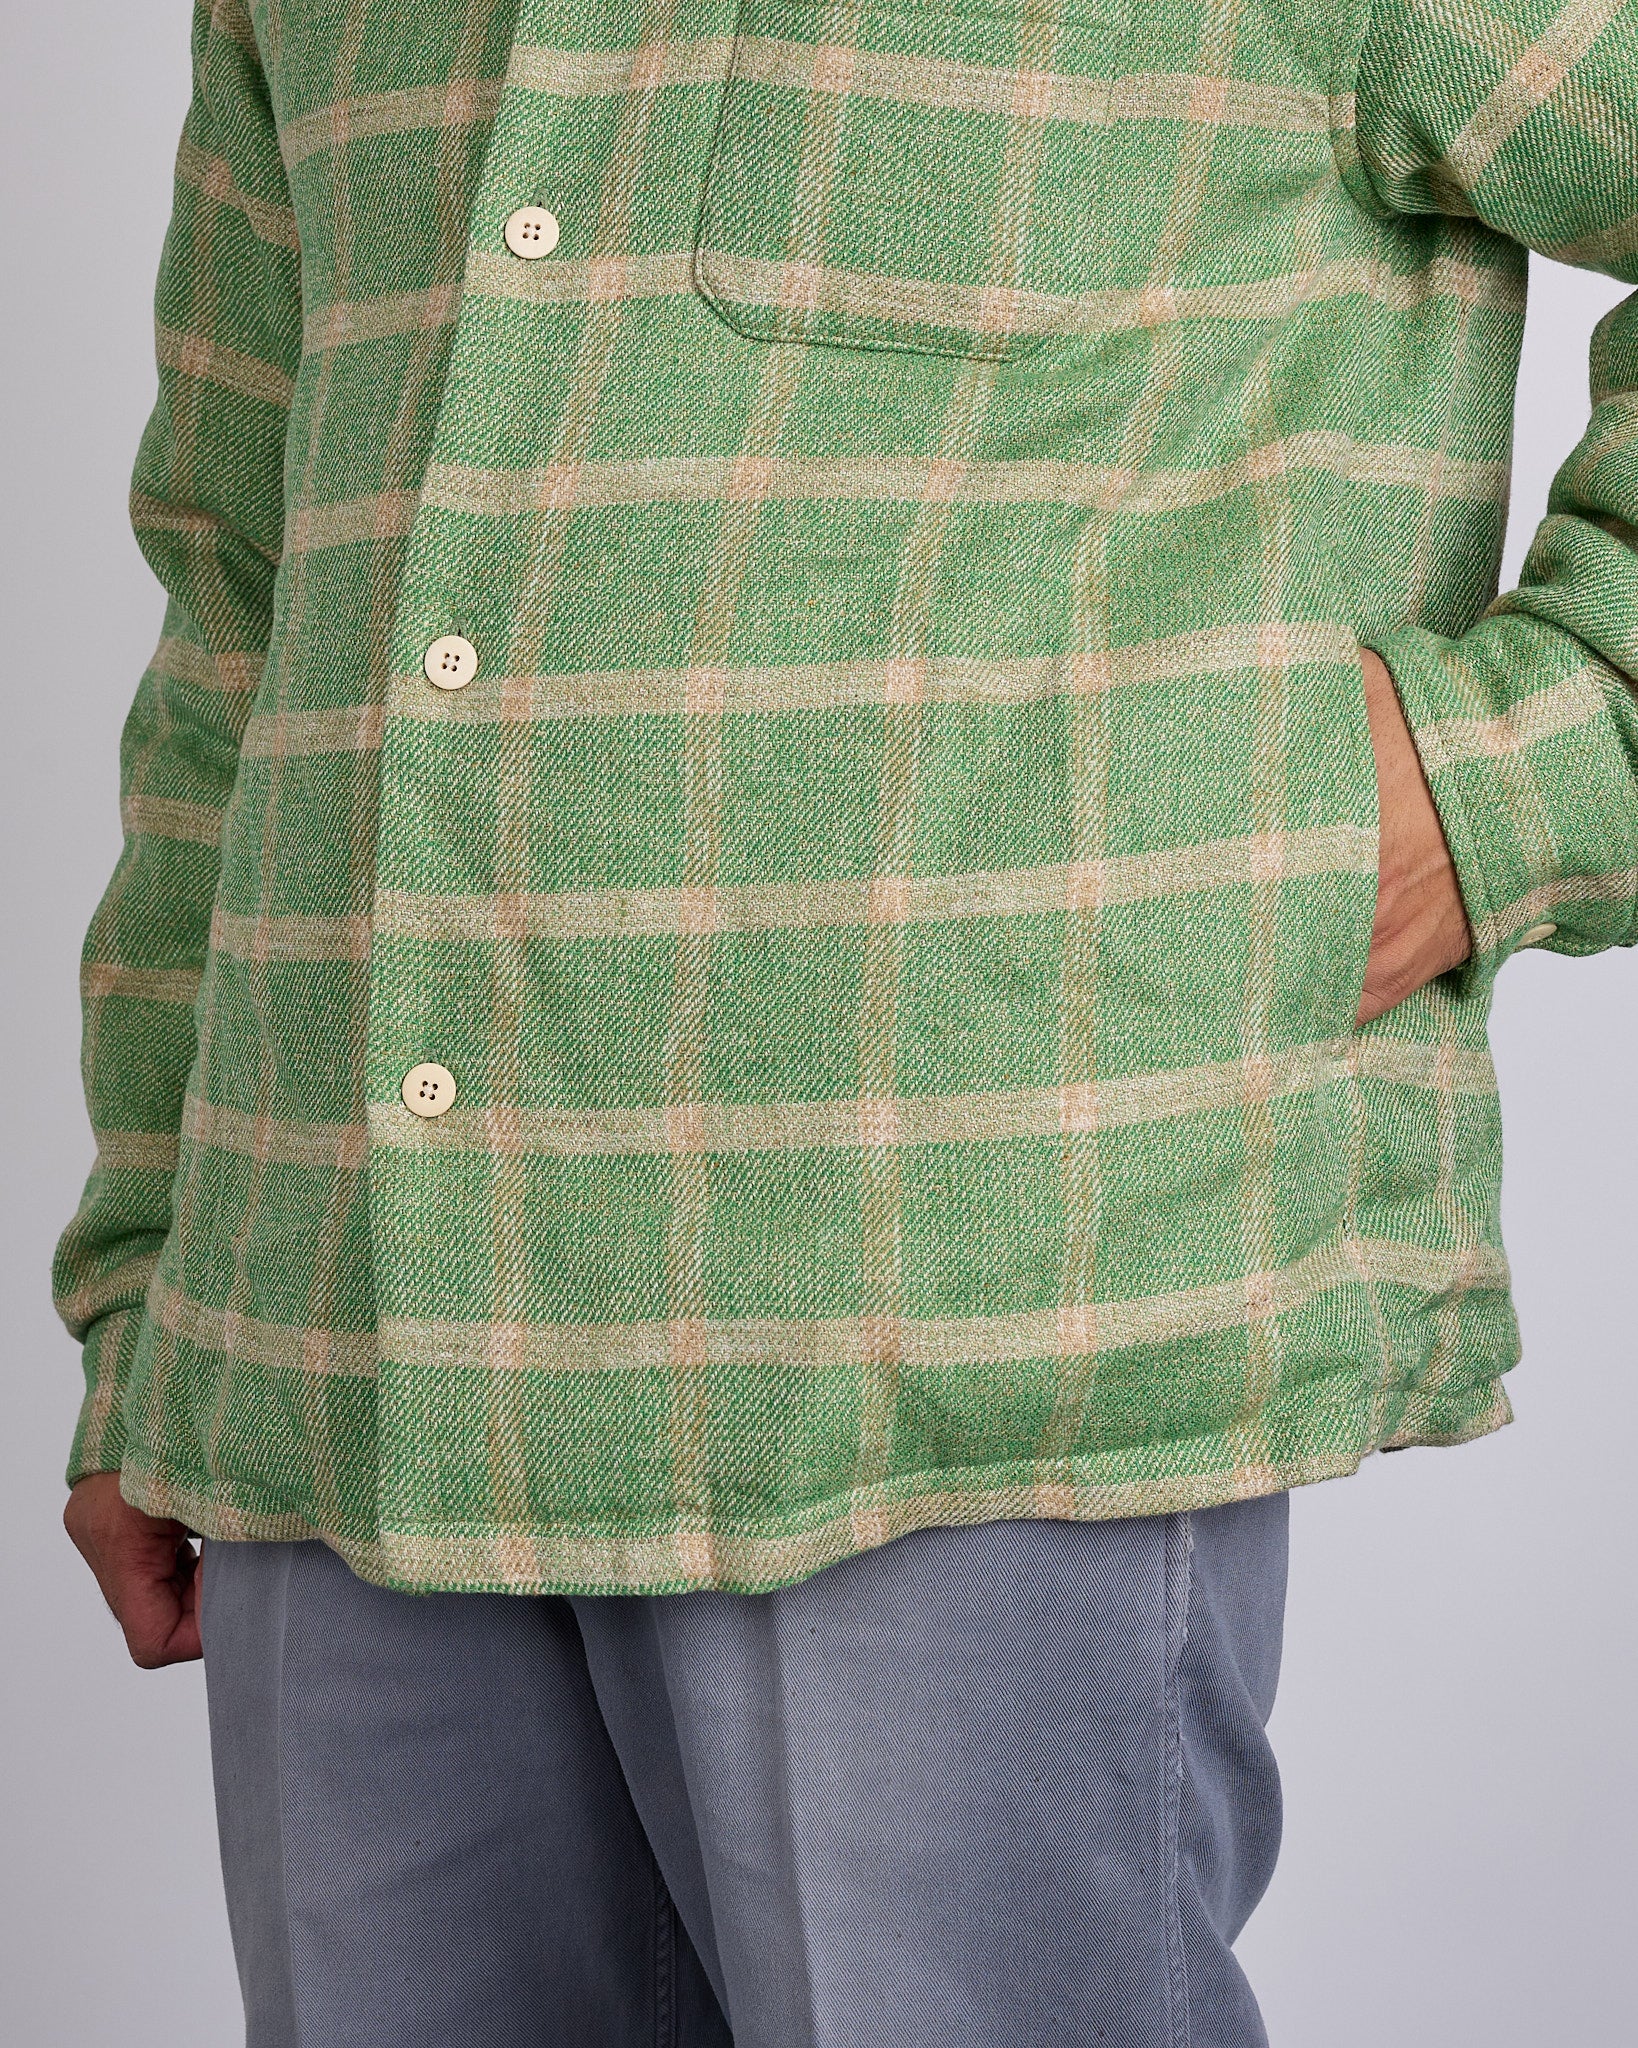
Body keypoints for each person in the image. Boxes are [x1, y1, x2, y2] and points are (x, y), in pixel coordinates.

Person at [55, 0, 1638, 2041]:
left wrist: (1506, 777)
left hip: (966, 1329)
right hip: (341, 1350)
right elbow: (240, 589)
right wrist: (151, 1288)